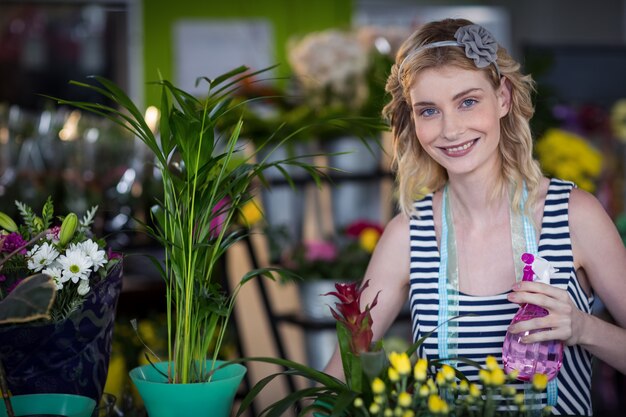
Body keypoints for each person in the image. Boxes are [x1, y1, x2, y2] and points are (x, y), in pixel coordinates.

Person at [323, 18, 626, 416]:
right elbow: (337, 379)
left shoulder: (573, 216)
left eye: (468, 101)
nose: (451, 129)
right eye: (429, 110)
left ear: (502, 97)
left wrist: (583, 328)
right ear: (412, 120)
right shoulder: (407, 236)